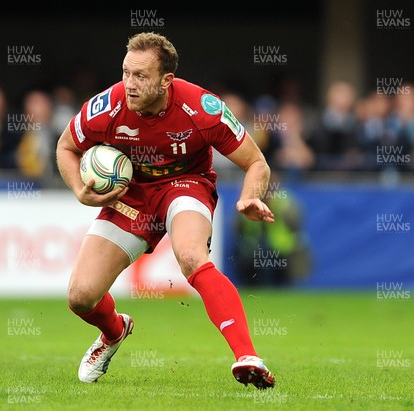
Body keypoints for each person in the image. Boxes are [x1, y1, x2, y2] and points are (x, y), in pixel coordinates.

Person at [56, 32, 276, 389]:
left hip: (185, 184)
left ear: (166, 80)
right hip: (131, 195)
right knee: (80, 297)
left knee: (191, 256)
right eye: (126, 72)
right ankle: (114, 332)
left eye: (140, 76)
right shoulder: (107, 107)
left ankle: (247, 356)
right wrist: (80, 192)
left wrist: (249, 197)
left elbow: (256, 162)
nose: (129, 83)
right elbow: (66, 146)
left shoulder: (203, 109)